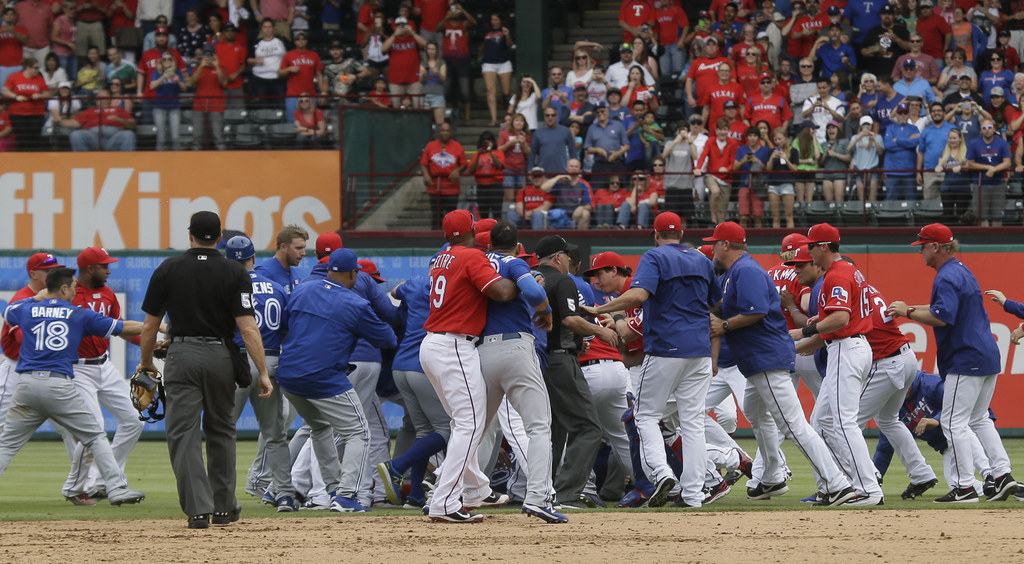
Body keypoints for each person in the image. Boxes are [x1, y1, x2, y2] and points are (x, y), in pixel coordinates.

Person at [705, 223, 857, 507]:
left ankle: (837, 484)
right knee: (753, 409)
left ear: (726, 245)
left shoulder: (746, 271)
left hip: (766, 357)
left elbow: (757, 311)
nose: (712, 248)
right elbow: (723, 308)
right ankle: (771, 475)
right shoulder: (734, 273)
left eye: (715, 243)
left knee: (793, 425)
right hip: (756, 359)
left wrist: (724, 324)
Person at [137, 211, 271, 529]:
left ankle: (198, 510)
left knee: (183, 433)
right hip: (220, 354)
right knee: (222, 430)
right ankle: (224, 508)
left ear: (190, 235)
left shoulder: (168, 268)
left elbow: (149, 327)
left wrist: (146, 363)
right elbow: (248, 328)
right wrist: (262, 371)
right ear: (220, 237)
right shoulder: (233, 271)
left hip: (181, 353)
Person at [584, 212, 718, 508]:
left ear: (656, 235)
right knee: (693, 423)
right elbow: (714, 300)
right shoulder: (702, 260)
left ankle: (661, 474)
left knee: (643, 416)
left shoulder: (655, 256)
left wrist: (599, 312)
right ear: (681, 233)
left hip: (666, 348)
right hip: (699, 350)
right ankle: (694, 495)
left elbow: (639, 294)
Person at [888, 223, 1018, 503]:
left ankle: (965, 487)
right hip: (986, 354)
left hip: (965, 357)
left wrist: (908, 312)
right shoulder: (960, 269)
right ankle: (1003, 475)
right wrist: (909, 308)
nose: (920, 251)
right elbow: (941, 310)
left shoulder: (946, 276)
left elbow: (942, 317)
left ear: (936, 246)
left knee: (951, 422)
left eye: (923, 245)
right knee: (980, 419)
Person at [0, 267, 146, 507]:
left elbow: (9, 312)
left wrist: (37, 297)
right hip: (58, 386)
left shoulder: (27, 309)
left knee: (6, 444)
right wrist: (155, 326)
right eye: (74, 287)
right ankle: (117, 489)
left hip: (26, 385)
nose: (76, 291)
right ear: (65, 288)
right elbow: (121, 328)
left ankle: (92, 487)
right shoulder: (78, 314)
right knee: (95, 436)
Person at [274, 247, 396, 514]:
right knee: (359, 432)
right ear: (354, 274)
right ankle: (346, 495)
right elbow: (387, 339)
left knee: (318, 427)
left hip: (288, 376)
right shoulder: (355, 303)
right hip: (323, 377)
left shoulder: (303, 290)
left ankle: (331, 489)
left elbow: (284, 324)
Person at [419, 210, 517, 522]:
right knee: (471, 424)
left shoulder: (441, 256)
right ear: (470, 230)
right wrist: (523, 278)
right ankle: (444, 502)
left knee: (462, 423)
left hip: (435, 343)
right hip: (454, 345)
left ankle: (475, 489)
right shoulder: (471, 256)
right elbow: (501, 292)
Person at [471, 222, 566, 522]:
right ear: (517, 244)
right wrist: (546, 313)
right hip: (515, 348)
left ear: (487, 243)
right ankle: (538, 497)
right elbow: (534, 291)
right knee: (538, 426)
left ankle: (446, 493)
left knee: (472, 429)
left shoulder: (476, 263)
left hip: (480, 351)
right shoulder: (513, 262)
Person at [790, 223, 884, 505]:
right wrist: (819, 323)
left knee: (844, 423)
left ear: (823, 247)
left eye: (811, 245)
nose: (808, 251)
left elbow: (841, 319)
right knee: (821, 421)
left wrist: (805, 331)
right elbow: (843, 315)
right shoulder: (848, 270)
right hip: (849, 346)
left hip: (847, 347)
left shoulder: (837, 274)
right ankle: (845, 483)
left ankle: (869, 488)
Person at [532, 235, 618, 509]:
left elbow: (560, 313)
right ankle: (567, 493)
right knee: (589, 428)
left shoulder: (531, 279)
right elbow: (569, 319)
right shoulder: (564, 280)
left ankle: (545, 492)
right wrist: (599, 330)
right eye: (567, 255)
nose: (571, 260)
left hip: (536, 361)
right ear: (558, 257)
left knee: (555, 429)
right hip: (560, 361)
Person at [58, 247, 145, 505]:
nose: (109, 270)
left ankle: (102, 480)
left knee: (134, 419)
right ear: (88, 269)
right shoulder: (69, 294)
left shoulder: (107, 293)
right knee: (92, 427)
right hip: (77, 368)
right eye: (104, 266)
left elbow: (119, 328)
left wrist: (149, 345)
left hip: (103, 366)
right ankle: (76, 486)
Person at [223, 235, 296, 512]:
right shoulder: (277, 287)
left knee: (224, 432)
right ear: (253, 258)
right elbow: (288, 328)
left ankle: (223, 496)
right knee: (275, 434)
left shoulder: (227, 286)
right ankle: (285, 495)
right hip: (272, 363)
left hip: (239, 362)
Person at [420, 121, 467, 229]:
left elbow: (464, 164)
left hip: (451, 187)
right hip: (434, 187)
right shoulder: (430, 146)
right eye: (443, 130)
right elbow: (423, 164)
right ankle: (434, 238)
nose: (445, 133)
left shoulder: (457, 146)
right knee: (436, 215)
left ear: (451, 132)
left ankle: (452, 240)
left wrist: (457, 170)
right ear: (438, 132)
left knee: (452, 217)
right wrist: (426, 175)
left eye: (447, 130)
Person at [58, 88, 137, 151]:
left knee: (128, 134)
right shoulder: (90, 110)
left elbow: (133, 124)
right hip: (93, 138)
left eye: (102, 97)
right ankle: (83, 163)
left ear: (109, 99)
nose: (99, 99)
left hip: (114, 138)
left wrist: (119, 120)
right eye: (98, 98)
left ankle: (126, 163)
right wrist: (59, 121)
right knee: (76, 134)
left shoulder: (119, 110)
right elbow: (75, 123)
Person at [966, 117, 1011, 226]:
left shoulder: (1002, 142)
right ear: (981, 130)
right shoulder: (974, 143)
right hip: (981, 185)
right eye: (984, 127)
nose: (987, 130)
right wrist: (988, 167)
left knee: (997, 217)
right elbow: (970, 163)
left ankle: (997, 242)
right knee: (981, 218)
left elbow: (1008, 163)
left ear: (994, 129)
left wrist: (994, 169)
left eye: (989, 127)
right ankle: (983, 242)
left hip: (998, 184)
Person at [696, 118, 740, 225]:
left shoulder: (733, 143)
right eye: (720, 129)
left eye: (725, 129)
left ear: (728, 131)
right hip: (711, 175)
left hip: (726, 178)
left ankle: (720, 226)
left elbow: (733, 161)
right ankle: (713, 219)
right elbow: (703, 155)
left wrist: (727, 169)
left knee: (722, 209)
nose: (722, 132)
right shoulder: (710, 141)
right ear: (716, 131)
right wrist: (698, 167)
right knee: (715, 191)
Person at [2, 58, 48, 151]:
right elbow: (5, 90)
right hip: (17, 113)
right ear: (28, 68)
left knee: (34, 140)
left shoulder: (39, 78)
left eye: (38, 68)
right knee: (21, 139)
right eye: (35, 68)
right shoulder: (14, 76)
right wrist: (16, 96)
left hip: (36, 113)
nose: (37, 70)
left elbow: (47, 93)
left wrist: (39, 95)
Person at [278, 30, 324, 123]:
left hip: (310, 95)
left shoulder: (314, 55)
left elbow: (319, 74)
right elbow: (279, 73)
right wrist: (289, 69)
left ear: (307, 41)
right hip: (293, 95)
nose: (301, 41)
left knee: (311, 123)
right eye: (298, 39)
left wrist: (323, 92)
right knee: (292, 123)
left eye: (303, 39)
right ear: (295, 41)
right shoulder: (288, 55)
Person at [187, 46, 227, 150]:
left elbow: (224, 82)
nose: (208, 57)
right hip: (199, 106)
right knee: (197, 137)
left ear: (214, 55)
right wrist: (201, 66)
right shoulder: (197, 68)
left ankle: (223, 162)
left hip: (216, 106)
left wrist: (217, 66)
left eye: (210, 54)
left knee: (218, 136)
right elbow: (192, 82)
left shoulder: (221, 68)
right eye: (206, 54)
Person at [382, 16, 426, 108]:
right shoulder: (391, 39)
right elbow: (383, 49)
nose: (401, 27)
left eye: (403, 25)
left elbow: (427, 46)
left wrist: (413, 32)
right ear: (395, 27)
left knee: (417, 107)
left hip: (414, 79)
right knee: (396, 108)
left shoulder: (413, 38)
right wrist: (394, 35)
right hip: (396, 80)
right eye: (398, 25)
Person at [733, 126, 771, 228]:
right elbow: (734, 167)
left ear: (758, 137)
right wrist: (743, 160)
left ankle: (759, 240)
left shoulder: (765, 150)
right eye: (750, 135)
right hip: (744, 185)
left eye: (755, 135)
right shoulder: (741, 149)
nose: (752, 138)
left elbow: (768, 169)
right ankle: (741, 241)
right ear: (747, 137)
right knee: (743, 217)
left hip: (759, 187)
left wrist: (757, 161)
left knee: (758, 217)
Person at [583, 102, 629, 187]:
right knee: (598, 190)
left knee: (620, 190)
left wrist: (617, 154)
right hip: (600, 164)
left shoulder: (618, 125)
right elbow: (587, 148)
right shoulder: (592, 128)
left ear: (607, 111)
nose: (600, 113)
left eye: (602, 111)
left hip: (617, 163)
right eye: (597, 112)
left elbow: (627, 145)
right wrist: (597, 150)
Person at [480, 13, 514, 126]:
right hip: (489, 63)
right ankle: (494, 119)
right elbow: (483, 46)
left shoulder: (505, 31)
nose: (493, 21)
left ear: (500, 21)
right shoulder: (486, 33)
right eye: (492, 19)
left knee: (506, 91)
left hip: (504, 62)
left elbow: (510, 45)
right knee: (490, 91)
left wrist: (507, 35)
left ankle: (504, 101)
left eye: (495, 19)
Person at [149, 50, 187, 151]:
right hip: (159, 107)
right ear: (161, 61)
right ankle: (159, 160)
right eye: (164, 59)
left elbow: (184, 88)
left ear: (172, 61)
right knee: (161, 137)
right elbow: (152, 86)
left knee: (175, 136)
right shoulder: (156, 72)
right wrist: (163, 77)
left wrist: (178, 79)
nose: (167, 61)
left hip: (174, 107)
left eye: (169, 59)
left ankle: (177, 161)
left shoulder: (177, 71)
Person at [661, 121, 697, 226]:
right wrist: (675, 141)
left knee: (684, 217)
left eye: (685, 130)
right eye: (680, 130)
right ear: (676, 131)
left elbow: (695, 156)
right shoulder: (669, 143)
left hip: (686, 186)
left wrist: (689, 139)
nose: (682, 133)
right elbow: (664, 156)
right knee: (671, 217)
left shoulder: (690, 144)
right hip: (672, 186)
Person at [540, 158, 593, 229]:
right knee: (554, 214)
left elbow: (589, 205)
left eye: (576, 166)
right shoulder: (560, 183)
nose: (574, 168)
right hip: (561, 214)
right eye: (571, 166)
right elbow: (543, 188)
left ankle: (581, 239)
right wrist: (558, 177)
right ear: (567, 168)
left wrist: (581, 207)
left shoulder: (584, 185)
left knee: (585, 213)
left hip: (576, 215)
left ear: (579, 169)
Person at [918, 102, 956, 200]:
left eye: (939, 111)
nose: (936, 113)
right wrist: (918, 172)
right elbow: (921, 152)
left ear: (944, 113)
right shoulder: (926, 131)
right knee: (930, 204)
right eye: (933, 111)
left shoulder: (952, 128)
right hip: (929, 171)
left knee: (948, 202)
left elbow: (959, 150)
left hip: (948, 171)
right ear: (930, 114)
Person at [248, 19, 286, 110]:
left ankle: (282, 124)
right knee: (264, 106)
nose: (267, 29)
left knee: (281, 105)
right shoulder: (256, 43)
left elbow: (290, 56)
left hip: (278, 78)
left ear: (273, 28)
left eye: (269, 27)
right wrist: (255, 60)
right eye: (265, 27)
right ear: (261, 29)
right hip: (261, 79)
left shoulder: (281, 41)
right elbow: (248, 59)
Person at [936, 128, 973, 222]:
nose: (952, 140)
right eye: (950, 138)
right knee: (947, 215)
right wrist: (938, 167)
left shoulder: (966, 152)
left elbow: (971, 165)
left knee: (962, 215)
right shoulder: (944, 152)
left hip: (963, 188)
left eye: (954, 138)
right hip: (947, 188)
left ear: (960, 139)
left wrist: (962, 167)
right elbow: (940, 164)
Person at [468, 130, 506, 219]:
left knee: (497, 212)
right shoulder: (477, 155)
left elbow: (499, 165)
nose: (486, 141)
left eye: (489, 139)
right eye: (484, 140)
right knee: (483, 213)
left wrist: (491, 151)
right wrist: (478, 155)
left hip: (495, 186)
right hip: (481, 186)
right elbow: (471, 170)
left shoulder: (498, 152)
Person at [530, 105, 574, 173]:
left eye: (553, 115)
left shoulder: (566, 131)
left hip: (562, 172)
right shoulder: (537, 133)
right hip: (542, 174)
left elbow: (572, 152)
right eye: (547, 115)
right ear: (544, 117)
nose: (550, 118)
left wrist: (574, 170)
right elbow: (532, 154)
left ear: (557, 116)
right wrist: (529, 170)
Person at [850, 115, 884, 200]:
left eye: (868, 125)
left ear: (871, 126)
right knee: (861, 199)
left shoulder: (878, 137)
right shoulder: (855, 137)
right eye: (864, 125)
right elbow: (849, 148)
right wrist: (859, 136)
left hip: (873, 168)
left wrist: (874, 139)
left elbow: (881, 152)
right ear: (861, 126)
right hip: (859, 169)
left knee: (873, 197)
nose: (866, 127)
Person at [498, 113, 531, 199]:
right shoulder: (505, 134)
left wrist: (524, 143)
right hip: (508, 168)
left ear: (524, 123)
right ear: (512, 122)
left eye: (521, 121)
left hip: (522, 169)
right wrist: (510, 143)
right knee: (509, 197)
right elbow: (499, 150)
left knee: (520, 196)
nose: (519, 123)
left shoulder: (527, 135)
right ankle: (509, 212)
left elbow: (528, 153)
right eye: (516, 120)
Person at [215, 23, 247, 112]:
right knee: (221, 113)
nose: (230, 33)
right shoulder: (216, 47)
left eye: (232, 31)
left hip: (237, 85)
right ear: (223, 33)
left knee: (238, 114)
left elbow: (243, 65)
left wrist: (235, 75)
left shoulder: (241, 47)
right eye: (227, 30)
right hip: (220, 86)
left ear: (235, 33)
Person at [820, 121, 851, 201]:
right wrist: (825, 155)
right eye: (829, 128)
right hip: (827, 176)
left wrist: (835, 154)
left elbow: (849, 158)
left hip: (840, 175)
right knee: (829, 203)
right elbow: (821, 163)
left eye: (833, 128)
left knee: (839, 201)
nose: (831, 130)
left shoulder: (845, 142)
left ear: (838, 130)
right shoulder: (824, 144)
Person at [420, 41, 446, 125]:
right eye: (429, 49)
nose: (431, 51)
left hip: (437, 94)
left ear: (436, 50)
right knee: (425, 123)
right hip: (425, 94)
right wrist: (423, 75)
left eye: (433, 49)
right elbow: (420, 81)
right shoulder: (423, 63)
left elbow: (443, 80)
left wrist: (438, 72)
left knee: (440, 123)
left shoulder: (441, 63)